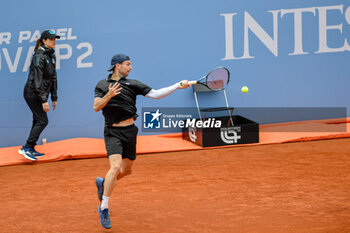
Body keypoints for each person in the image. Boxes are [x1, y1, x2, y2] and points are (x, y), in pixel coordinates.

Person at [94, 53, 190, 229]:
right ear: (117, 66)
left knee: (126, 170)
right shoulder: (102, 85)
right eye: (128, 64)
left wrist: (177, 85)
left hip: (130, 131)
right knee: (114, 167)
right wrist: (109, 95)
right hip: (112, 131)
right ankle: (104, 207)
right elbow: (96, 106)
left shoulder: (133, 84)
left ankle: (103, 184)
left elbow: (156, 94)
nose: (131, 67)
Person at [18, 30, 60, 162]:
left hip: (40, 93)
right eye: (51, 39)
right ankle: (27, 147)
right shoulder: (39, 56)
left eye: (55, 39)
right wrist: (43, 100)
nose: (54, 41)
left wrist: (54, 97)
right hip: (32, 93)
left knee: (37, 120)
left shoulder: (51, 55)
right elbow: (37, 79)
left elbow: (53, 77)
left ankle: (31, 147)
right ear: (44, 41)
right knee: (43, 121)